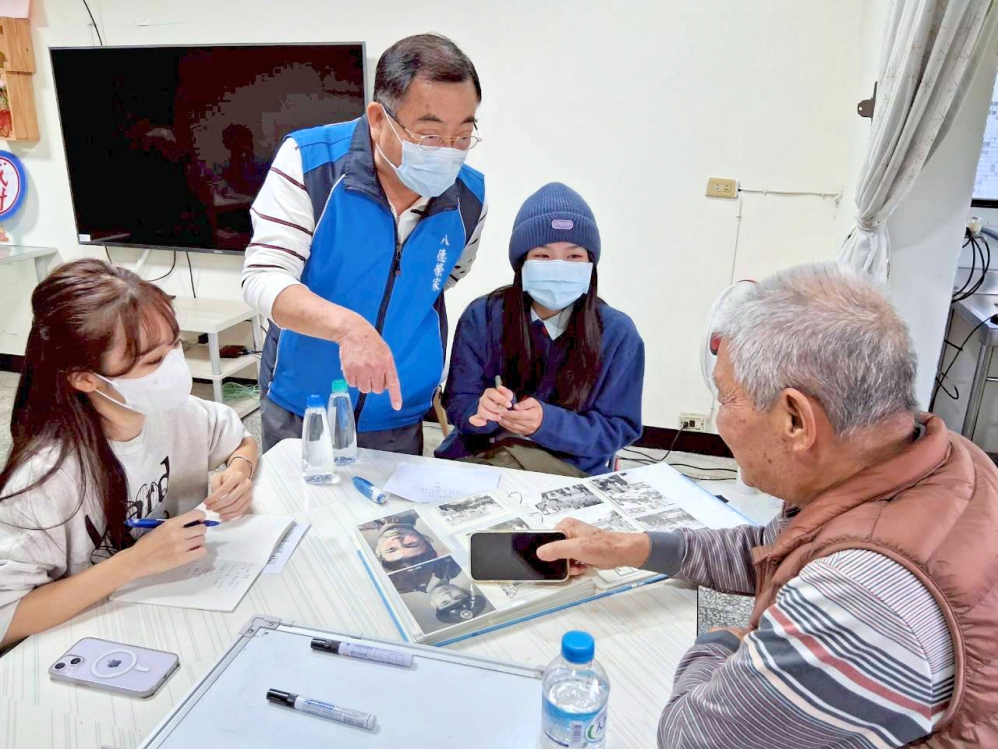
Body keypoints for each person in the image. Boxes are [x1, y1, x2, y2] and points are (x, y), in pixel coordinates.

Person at [537, 263, 998, 748]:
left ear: (796, 419)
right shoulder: (947, 459)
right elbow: (770, 547)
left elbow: (690, 738)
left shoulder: (858, 605)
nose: (718, 421)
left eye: (725, 398)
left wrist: (721, 641)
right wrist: (634, 547)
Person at [243, 33, 487, 454]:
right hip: (306, 407)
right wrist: (350, 329)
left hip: (399, 411)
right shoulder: (310, 162)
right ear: (378, 118)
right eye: (430, 135)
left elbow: (446, 278)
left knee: (390, 519)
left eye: (463, 136)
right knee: (302, 517)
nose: (448, 152)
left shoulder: (469, 196)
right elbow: (263, 279)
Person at [0, 259, 258, 648]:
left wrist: (239, 471)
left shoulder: (176, 412)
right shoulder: (45, 481)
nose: (173, 368)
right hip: (95, 639)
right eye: (152, 361)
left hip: (180, 612)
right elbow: (7, 619)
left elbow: (241, 441)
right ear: (86, 378)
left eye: (176, 347)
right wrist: (134, 562)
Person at [435, 183, 644, 476]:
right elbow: (458, 402)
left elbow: (619, 427)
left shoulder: (617, 334)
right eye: (543, 256)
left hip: (570, 472)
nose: (558, 266)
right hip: (481, 460)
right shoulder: (483, 315)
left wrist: (547, 424)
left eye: (574, 257)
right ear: (521, 263)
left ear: (590, 264)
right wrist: (481, 412)